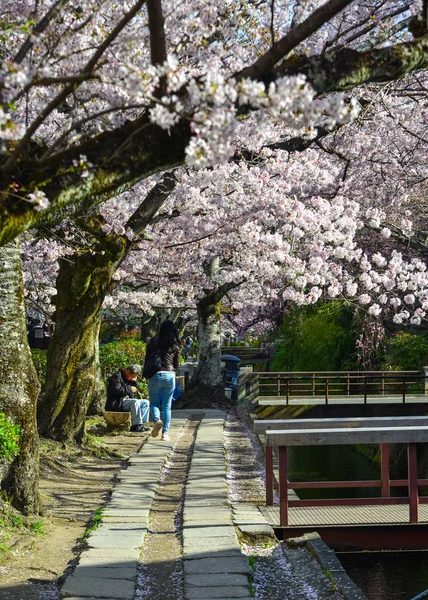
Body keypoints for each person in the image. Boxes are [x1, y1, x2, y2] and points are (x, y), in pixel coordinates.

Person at [144, 320, 180, 441]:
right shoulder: (174, 343)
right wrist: (173, 369)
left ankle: (156, 420)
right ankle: (165, 433)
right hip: (169, 375)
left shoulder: (153, 341)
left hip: (155, 374)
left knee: (154, 403)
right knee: (167, 406)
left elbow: (147, 359)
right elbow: (177, 364)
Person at [106, 364, 151, 432]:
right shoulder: (116, 376)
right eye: (131, 377)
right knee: (135, 402)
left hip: (127, 401)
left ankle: (141, 424)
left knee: (146, 402)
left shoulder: (130, 378)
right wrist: (129, 388)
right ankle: (136, 425)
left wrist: (134, 381)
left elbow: (135, 389)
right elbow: (116, 390)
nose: (131, 378)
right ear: (127, 371)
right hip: (117, 403)